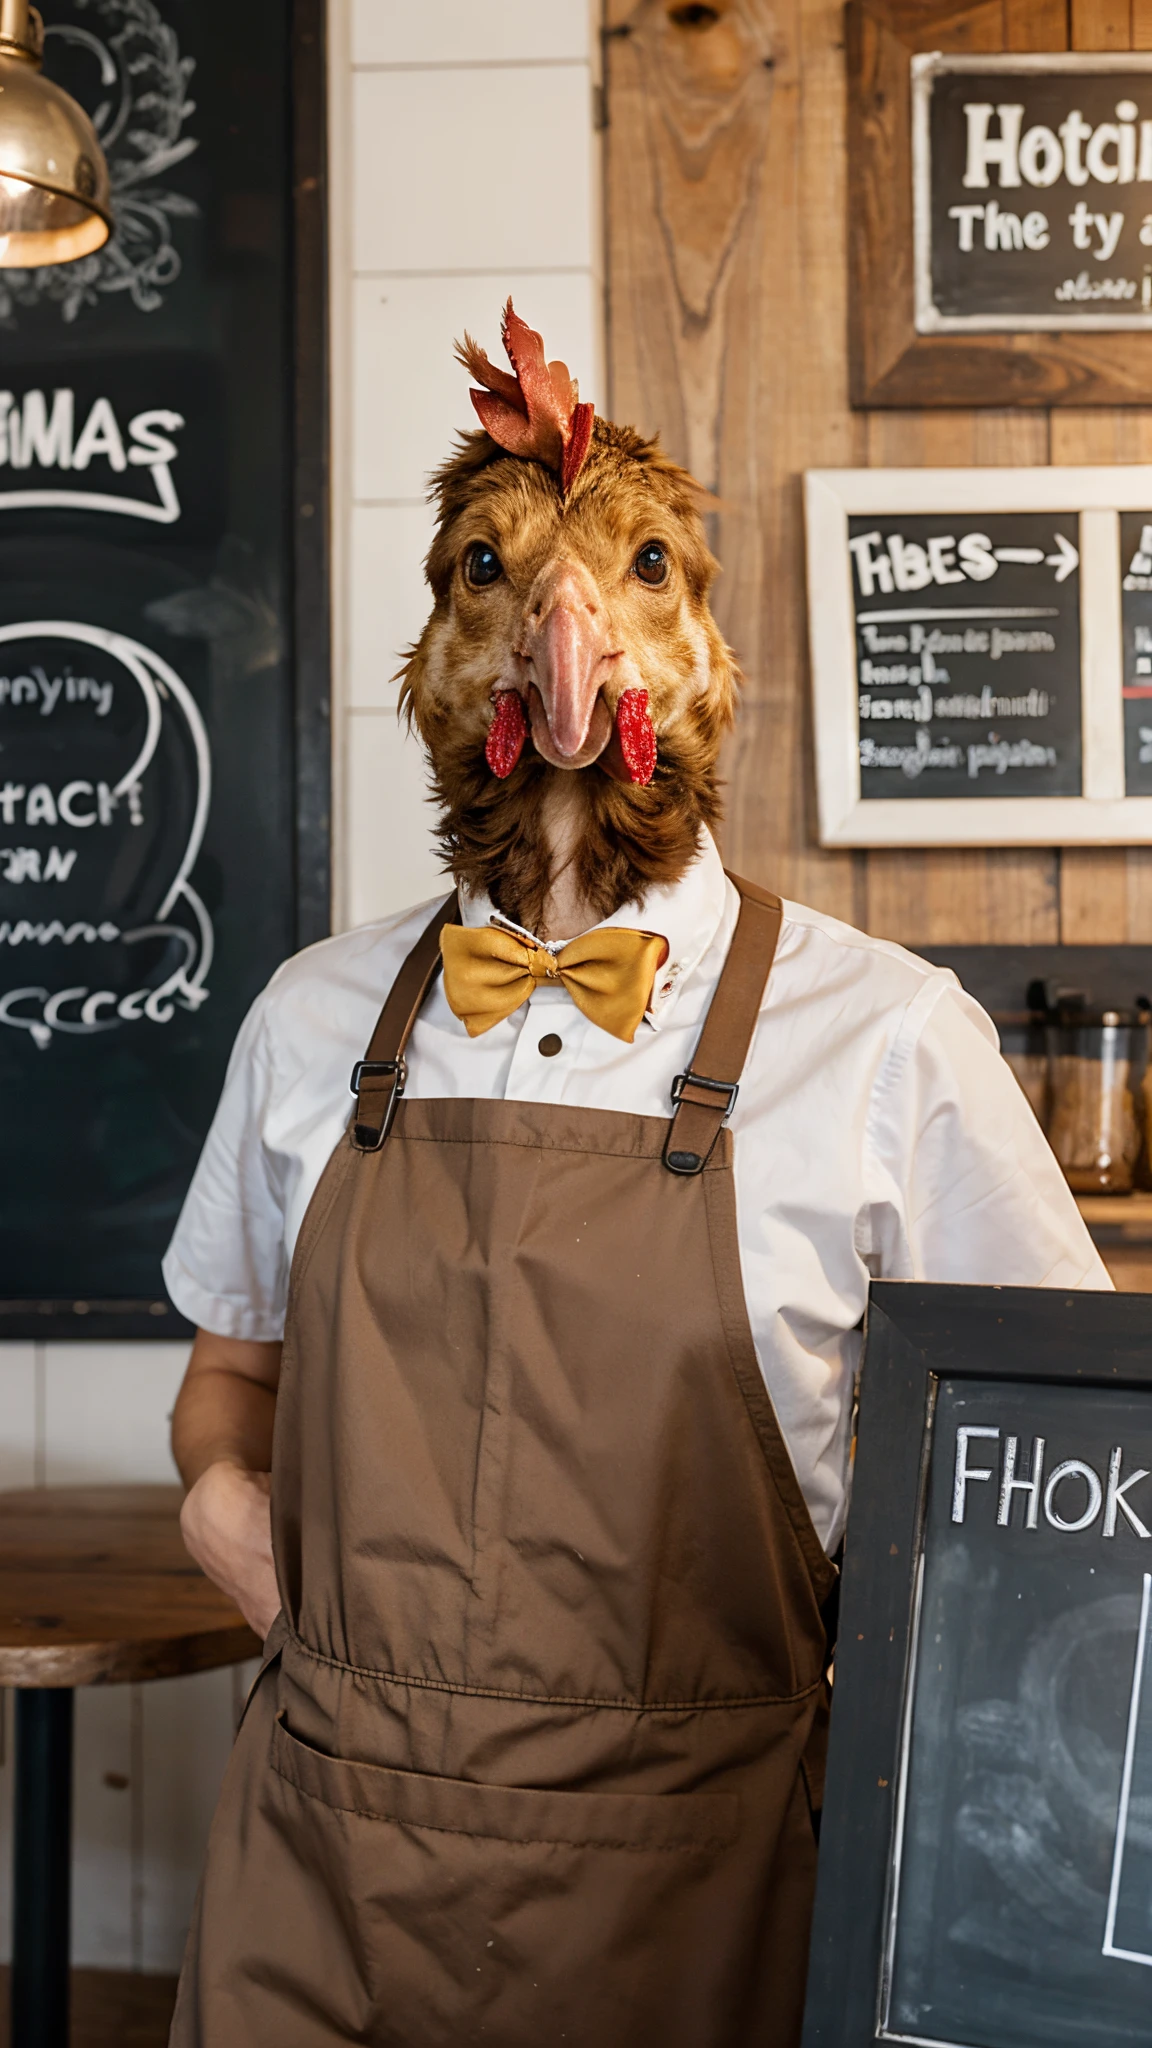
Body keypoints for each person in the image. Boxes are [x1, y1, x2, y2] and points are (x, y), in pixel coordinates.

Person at [165, 307, 1110, 2048]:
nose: (561, 616)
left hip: (709, 1897)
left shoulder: (893, 1043)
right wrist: (223, 1511)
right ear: (439, 654)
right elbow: (229, 1376)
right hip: (325, 1874)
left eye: (639, 567)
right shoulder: (307, 1022)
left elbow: (1057, 1505)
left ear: (704, 648)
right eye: (492, 570)